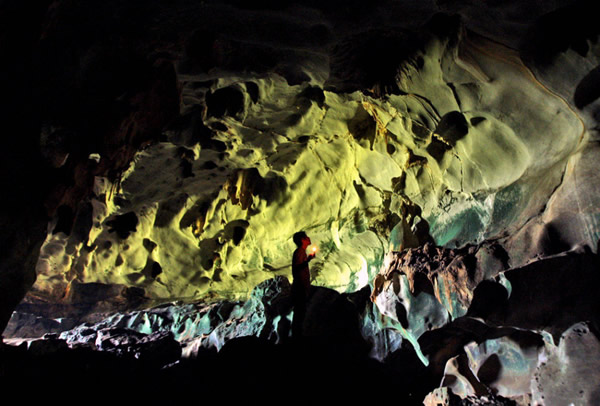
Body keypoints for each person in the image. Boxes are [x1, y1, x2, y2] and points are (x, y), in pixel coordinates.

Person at [291, 231, 316, 338]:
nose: (309, 238)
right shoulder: (299, 252)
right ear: (302, 240)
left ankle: (297, 336)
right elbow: (297, 268)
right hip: (300, 288)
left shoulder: (301, 252)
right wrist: (308, 260)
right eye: (306, 237)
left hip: (301, 287)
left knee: (300, 313)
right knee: (300, 314)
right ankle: (297, 337)